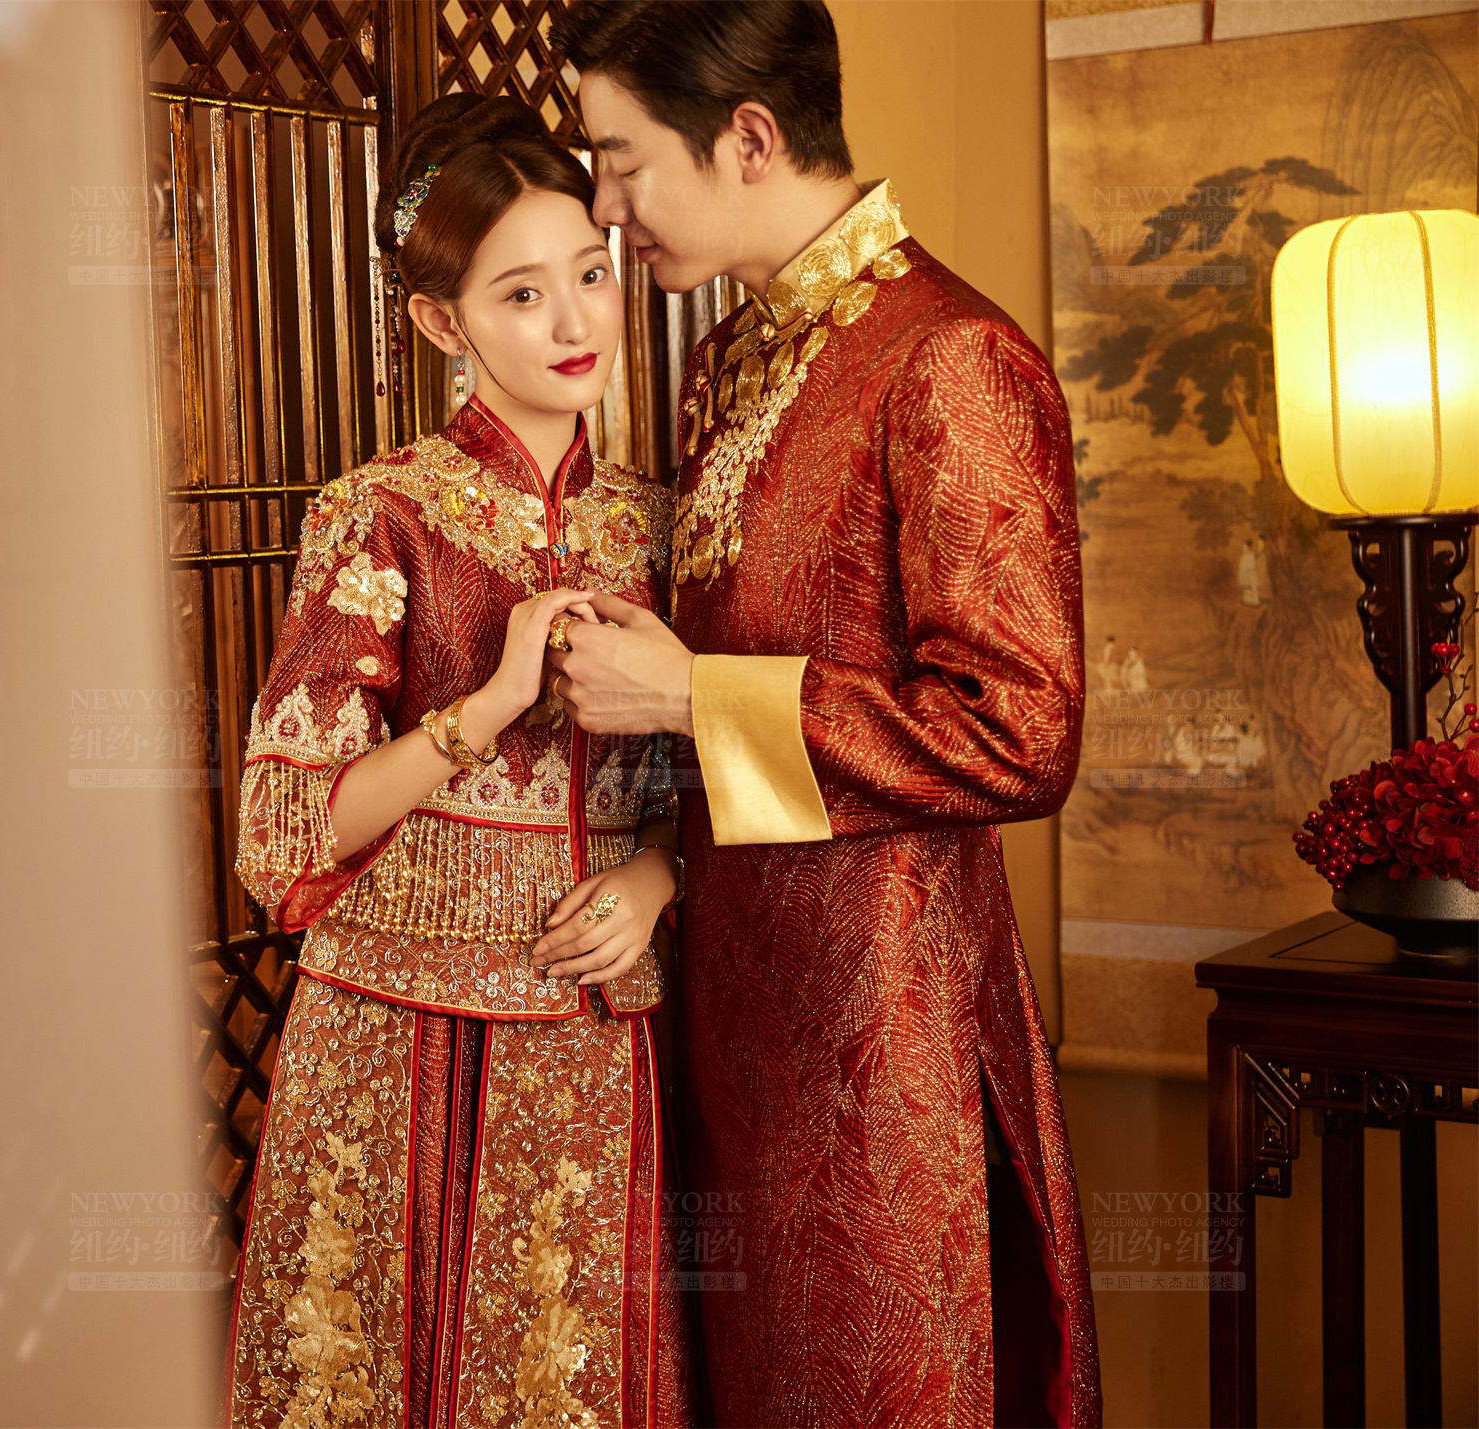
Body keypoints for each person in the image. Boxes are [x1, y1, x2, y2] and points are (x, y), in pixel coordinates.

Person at [541, 4, 1103, 1426]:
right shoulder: (725, 368)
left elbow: (1021, 728)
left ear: (748, 137)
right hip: (731, 1031)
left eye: (621, 159)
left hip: (886, 1045)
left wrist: (689, 693)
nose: (605, 207)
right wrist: (660, 856)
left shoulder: (950, 359)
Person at [222, 92, 696, 1429]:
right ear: (444, 324)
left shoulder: (660, 528)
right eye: (522, 295)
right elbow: (285, 830)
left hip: (596, 1033)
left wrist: (657, 877)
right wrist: (489, 703)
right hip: (393, 1035)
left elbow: (712, 777)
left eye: (590, 275)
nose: (574, 322)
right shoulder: (378, 515)